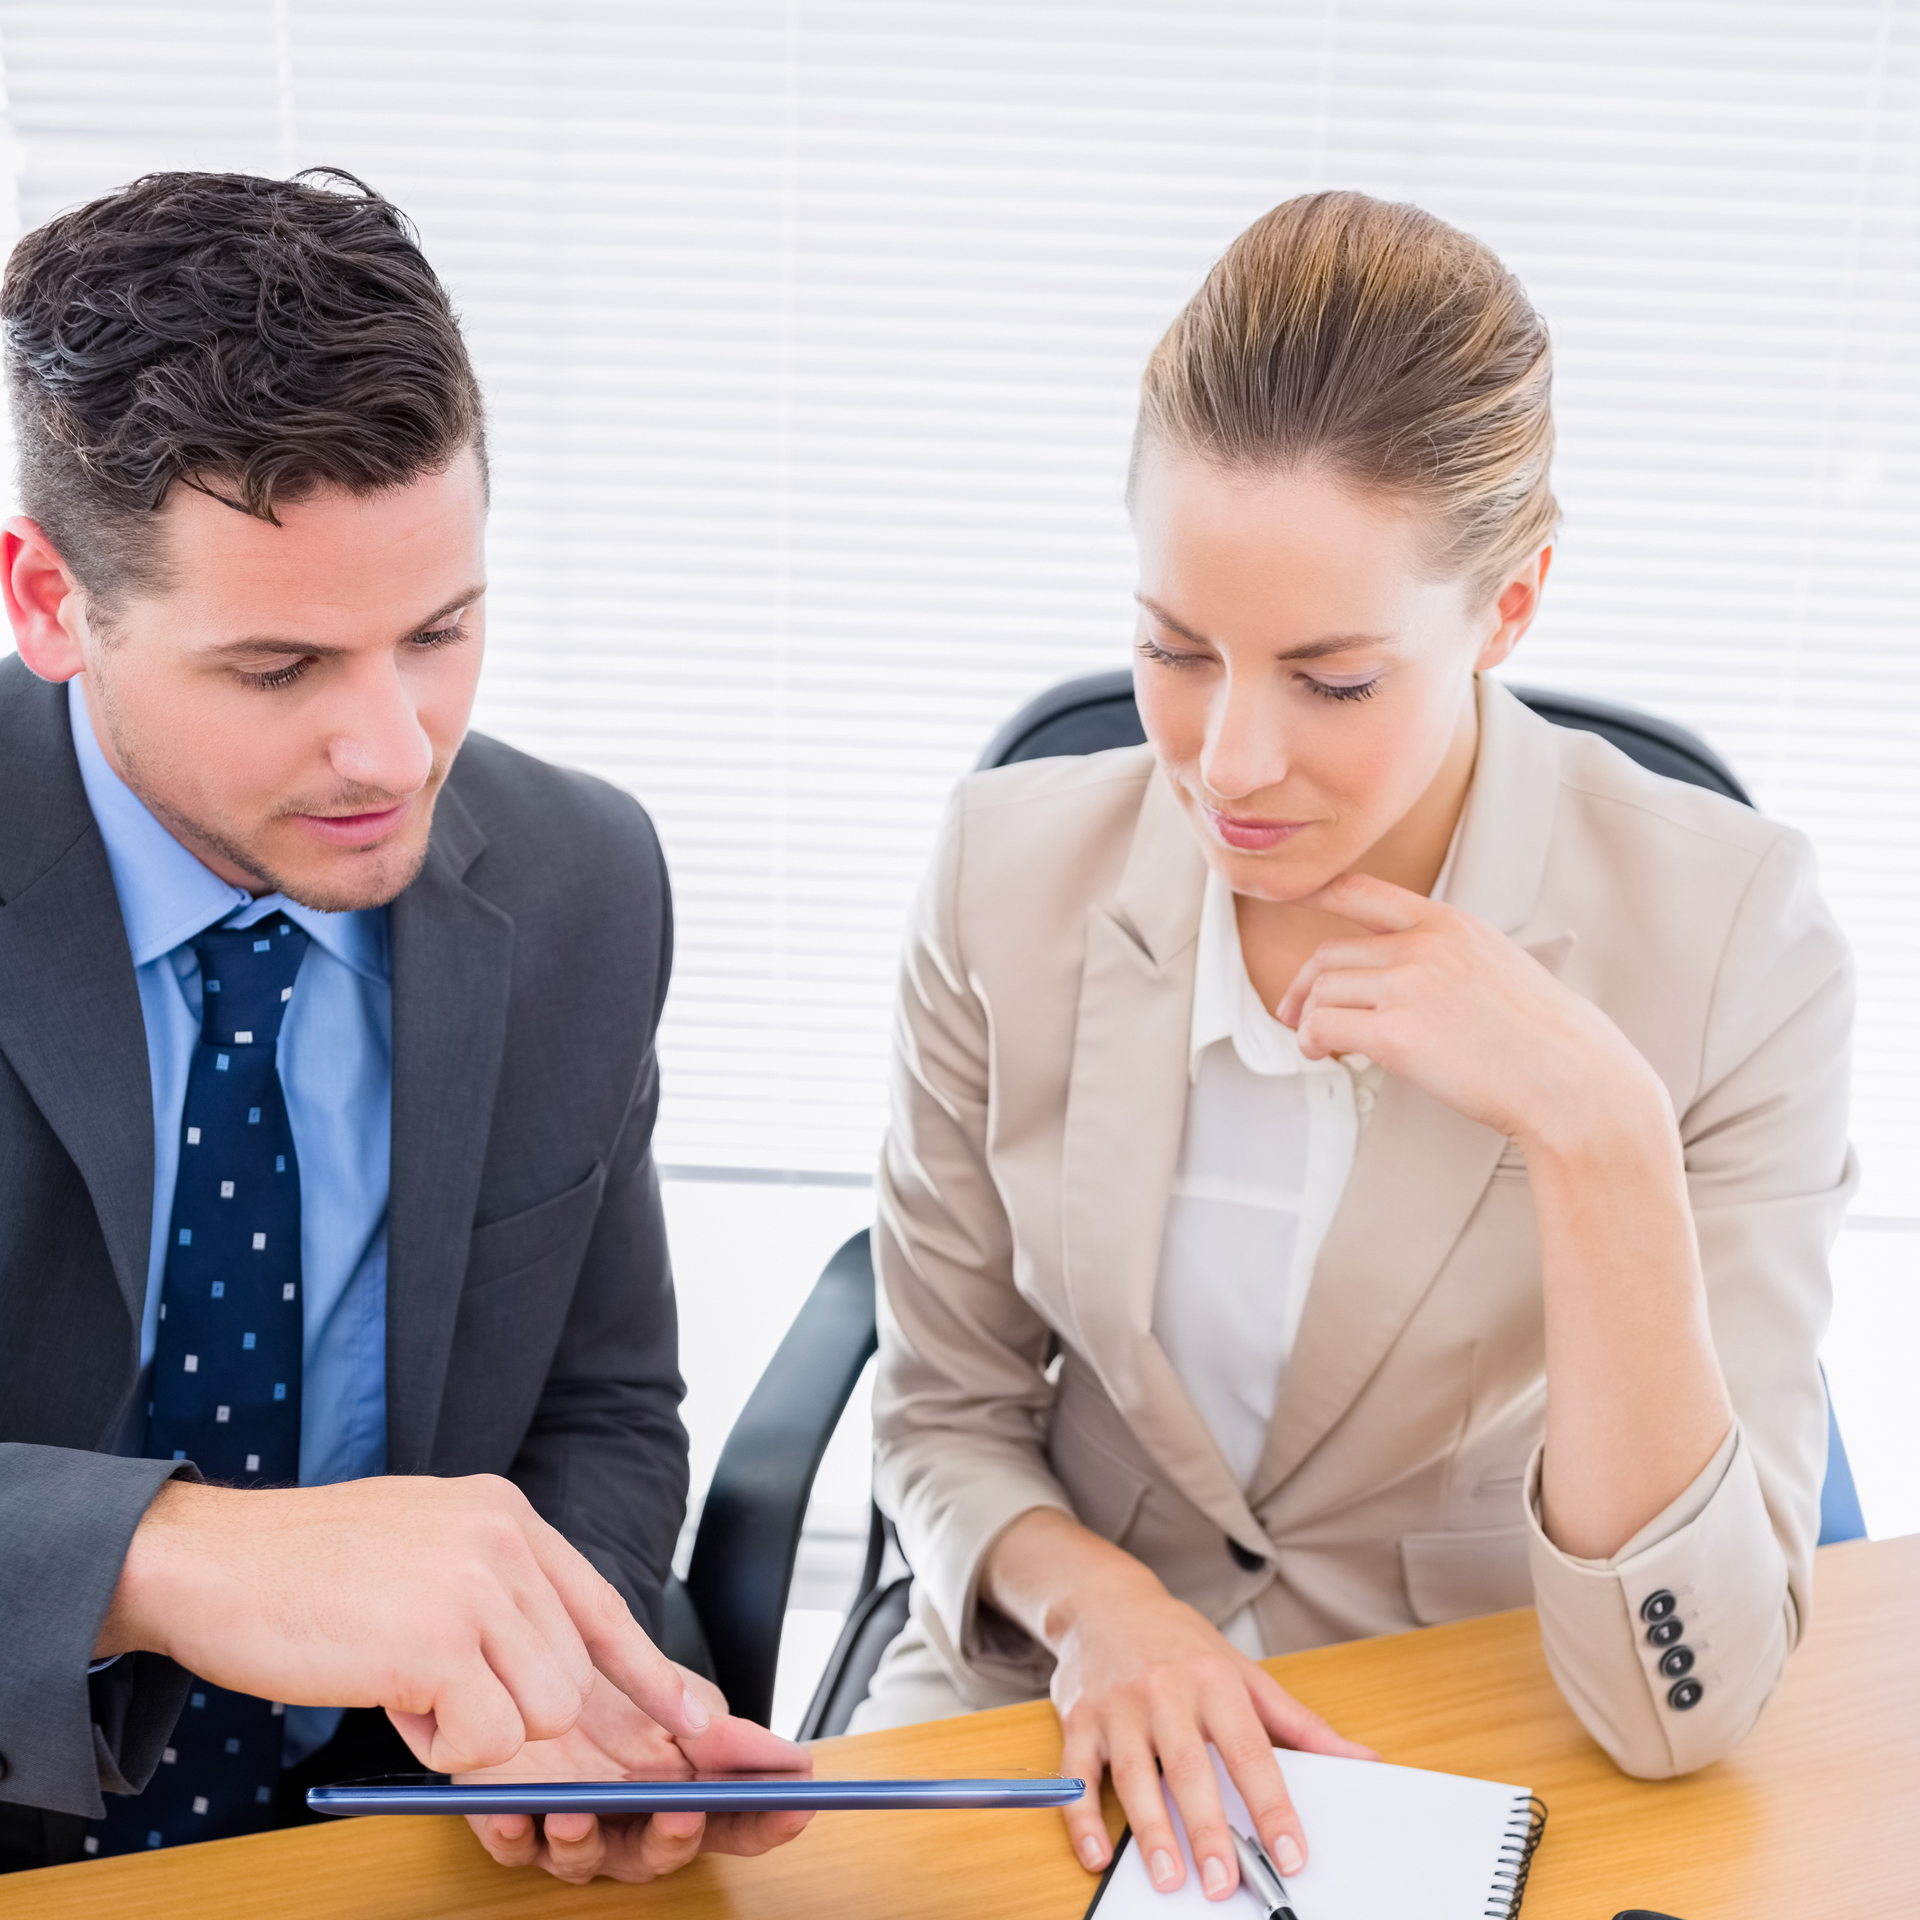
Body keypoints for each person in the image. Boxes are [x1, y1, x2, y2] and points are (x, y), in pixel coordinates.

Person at [856, 192, 1854, 1902]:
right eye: (1176, 650)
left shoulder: (1732, 942)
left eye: (1330, 682)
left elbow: (1689, 1702)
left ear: (1512, 607)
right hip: (1061, 1704)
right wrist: (1112, 1611)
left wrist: (1601, 1135)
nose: (1230, 763)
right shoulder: (1003, 876)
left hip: (1459, 1724)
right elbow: (941, 1420)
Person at [0, 168, 809, 1883]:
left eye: (439, 634)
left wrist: (546, 1694)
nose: (394, 752)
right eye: (281, 670)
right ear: (50, 601)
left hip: (403, 1832)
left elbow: (599, 1409)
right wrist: (174, 1562)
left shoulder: (586, 882)